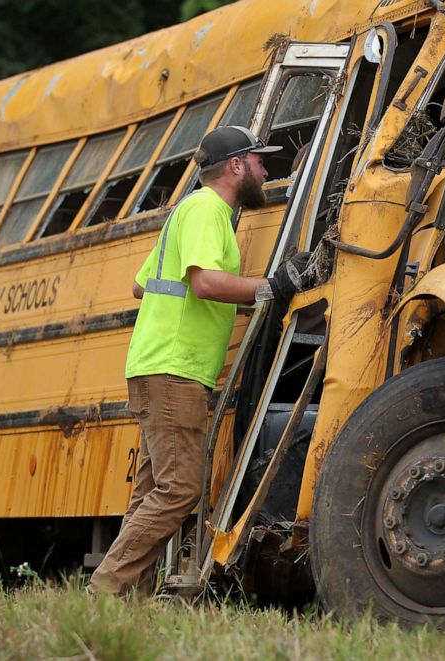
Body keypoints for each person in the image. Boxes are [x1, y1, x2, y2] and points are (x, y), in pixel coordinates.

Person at [88, 126, 312, 596]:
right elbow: (206, 282)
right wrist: (270, 286)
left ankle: (122, 600)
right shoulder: (210, 209)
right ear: (236, 166)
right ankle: (104, 590)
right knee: (180, 491)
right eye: (258, 162)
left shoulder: (187, 213)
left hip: (158, 365)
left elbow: (140, 284)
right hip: (175, 370)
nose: (265, 171)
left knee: (152, 492)